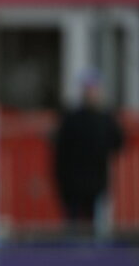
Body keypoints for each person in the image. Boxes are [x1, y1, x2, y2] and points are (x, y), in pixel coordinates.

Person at [52, 70, 125, 237]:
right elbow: (61, 150)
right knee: (75, 226)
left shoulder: (104, 119)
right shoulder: (74, 119)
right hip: (75, 183)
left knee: (95, 226)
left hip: (95, 183)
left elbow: (119, 142)